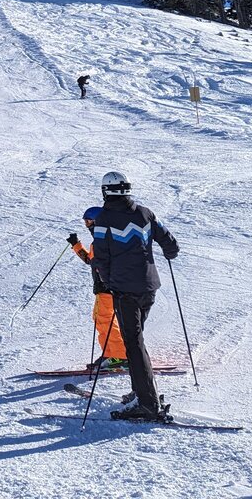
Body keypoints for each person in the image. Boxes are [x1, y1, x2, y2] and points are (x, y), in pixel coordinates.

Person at [90, 171, 180, 422]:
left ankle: (147, 403)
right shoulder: (145, 213)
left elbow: (100, 258)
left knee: (134, 343)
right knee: (136, 340)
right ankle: (142, 390)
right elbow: (169, 242)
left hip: (125, 291)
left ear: (106, 191)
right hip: (148, 288)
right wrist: (169, 252)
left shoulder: (104, 219)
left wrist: (108, 282)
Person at [69, 207, 127, 369]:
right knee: (100, 319)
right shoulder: (99, 241)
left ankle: (120, 356)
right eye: (85, 222)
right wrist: (76, 245)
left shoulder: (107, 240)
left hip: (109, 287)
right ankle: (110, 353)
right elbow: (91, 261)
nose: (86, 225)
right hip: (103, 288)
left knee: (106, 319)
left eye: (88, 221)